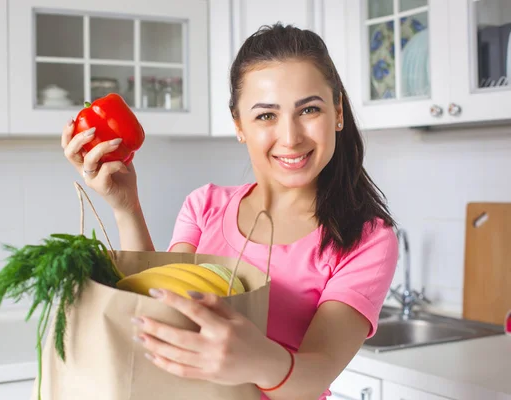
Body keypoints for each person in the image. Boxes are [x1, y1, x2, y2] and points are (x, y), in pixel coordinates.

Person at [61, 23, 398, 400]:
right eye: (266, 116)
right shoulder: (205, 206)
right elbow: (159, 306)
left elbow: (314, 375)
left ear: (337, 113)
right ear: (239, 125)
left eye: (309, 110)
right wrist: (126, 207)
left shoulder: (365, 239)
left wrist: (256, 359)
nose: (291, 137)